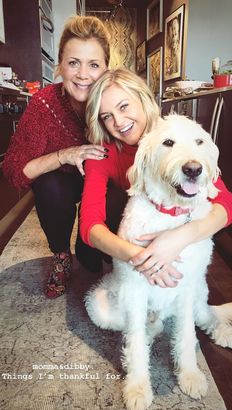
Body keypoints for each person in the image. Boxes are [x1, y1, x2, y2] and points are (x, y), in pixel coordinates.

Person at [80, 68, 232, 287]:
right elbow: (89, 223)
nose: (119, 121)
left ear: (143, 99)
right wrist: (144, 259)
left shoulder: (178, 132)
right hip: (127, 232)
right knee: (89, 257)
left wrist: (179, 238)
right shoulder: (103, 152)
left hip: (175, 221)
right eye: (107, 116)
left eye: (124, 106)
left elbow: (226, 203)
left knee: (202, 209)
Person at [2, 15, 111, 299]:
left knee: (92, 261)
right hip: (63, 184)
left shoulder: (115, 100)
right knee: (48, 185)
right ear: (59, 66)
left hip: (102, 187)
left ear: (106, 70)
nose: (83, 74)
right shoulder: (44, 105)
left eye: (94, 65)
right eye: (74, 62)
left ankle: (91, 242)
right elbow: (15, 170)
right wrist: (63, 155)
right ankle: (61, 255)